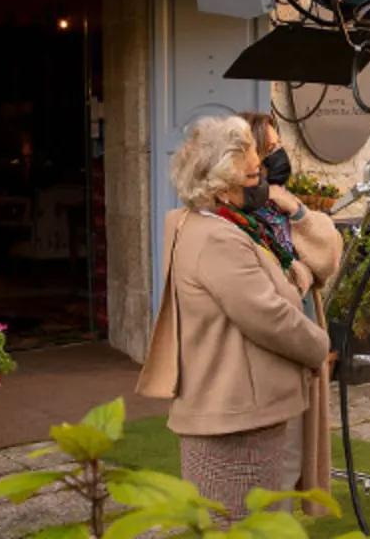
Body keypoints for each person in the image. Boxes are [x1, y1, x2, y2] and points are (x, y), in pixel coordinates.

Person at [136, 115, 336, 521]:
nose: (260, 180)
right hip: (237, 414)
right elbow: (268, 316)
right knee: (247, 520)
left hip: (242, 407)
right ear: (221, 185)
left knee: (248, 517)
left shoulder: (217, 225)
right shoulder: (218, 238)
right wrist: (319, 345)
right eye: (251, 175)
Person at [237, 111, 341, 514]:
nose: (279, 156)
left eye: (279, 146)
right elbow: (275, 284)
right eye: (270, 149)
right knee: (271, 467)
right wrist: (302, 271)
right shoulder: (239, 219)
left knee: (294, 456)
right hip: (272, 355)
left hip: (302, 348)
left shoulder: (279, 210)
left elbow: (328, 256)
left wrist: (296, 209)